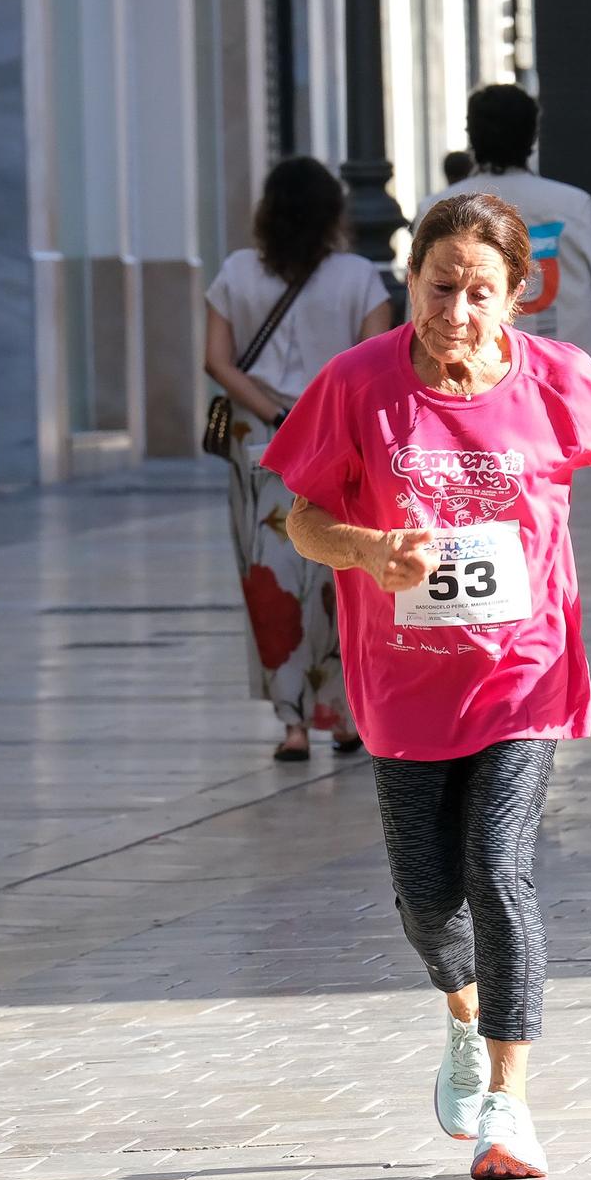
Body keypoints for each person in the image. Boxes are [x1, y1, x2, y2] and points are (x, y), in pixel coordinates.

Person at [264, 193, 591, 1180]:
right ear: (412, 279)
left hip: (523, 671)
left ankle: (509, 1106)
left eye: (481, 293)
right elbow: (297, 518)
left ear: (518, 294)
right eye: (440, 288)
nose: (457, 312)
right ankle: (464, 1014)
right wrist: (365, 548)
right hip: (400, 682)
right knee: (428, 903)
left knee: (498, 870)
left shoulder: (555, 379)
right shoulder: (358, 385)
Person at [204, 157, 391, 761]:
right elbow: (374, 363)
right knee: (342, 573)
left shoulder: (235, 273)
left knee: (270, 577)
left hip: (258, 442)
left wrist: (274, 411)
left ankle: (289, 723)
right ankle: (340, 715)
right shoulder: (360, 277)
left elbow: (217, 361)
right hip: (336, 442)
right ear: (333, 214)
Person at [416, 85, 591, 394]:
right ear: (533, 135)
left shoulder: (438, 207)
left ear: (471, 135)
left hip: (467, 384)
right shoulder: (572, 204)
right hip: (565, 383)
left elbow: (419, 300)